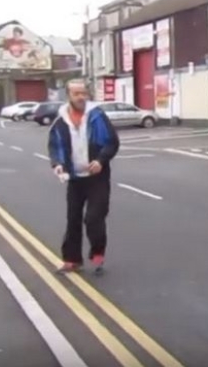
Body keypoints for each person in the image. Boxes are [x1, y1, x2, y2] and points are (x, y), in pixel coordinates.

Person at [47, 80, 120, 275]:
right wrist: (58, 164)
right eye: (76, 94)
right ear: (68, 96)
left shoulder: (97, 116)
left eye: (83, 93)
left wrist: (101, 160)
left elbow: (112, 142)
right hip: (75, 178)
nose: (81, 97)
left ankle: (97, 253)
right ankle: (72, 260)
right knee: (73, 220)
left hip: (97, 177)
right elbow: (55, 145)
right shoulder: (61, 120)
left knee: (94, 218)